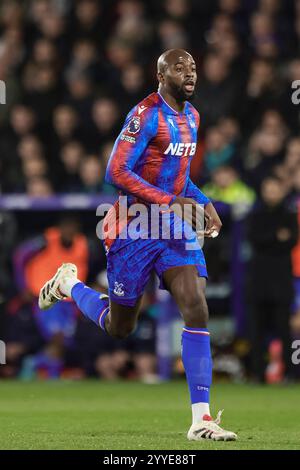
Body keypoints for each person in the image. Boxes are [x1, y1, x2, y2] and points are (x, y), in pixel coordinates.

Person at [38, 49, 237, 441]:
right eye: (180, 68)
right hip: (133, 227)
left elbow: (178, 182)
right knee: (120, 327)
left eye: (194, 67)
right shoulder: (146, 114)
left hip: (173, 227)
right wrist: (171, 201)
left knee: (196, 306)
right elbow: (116, 171)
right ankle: (68, 285)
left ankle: (202, 420)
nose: (190, 73)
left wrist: (203, 202)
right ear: (161, 75)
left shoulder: (193, 118)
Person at [247, 176, 298, 382]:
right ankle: (258, 373)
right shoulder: (255, 214)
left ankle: (290, 373)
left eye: (275, 189)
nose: (271, 193)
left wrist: (268, 239)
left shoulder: (288, 214)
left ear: (282, 190)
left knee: (284, 330)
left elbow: (291, 241)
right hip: (259, 281)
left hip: (281, 282)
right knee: (256, 330)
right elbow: (255, 240)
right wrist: (276, 237)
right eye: (268, 189)